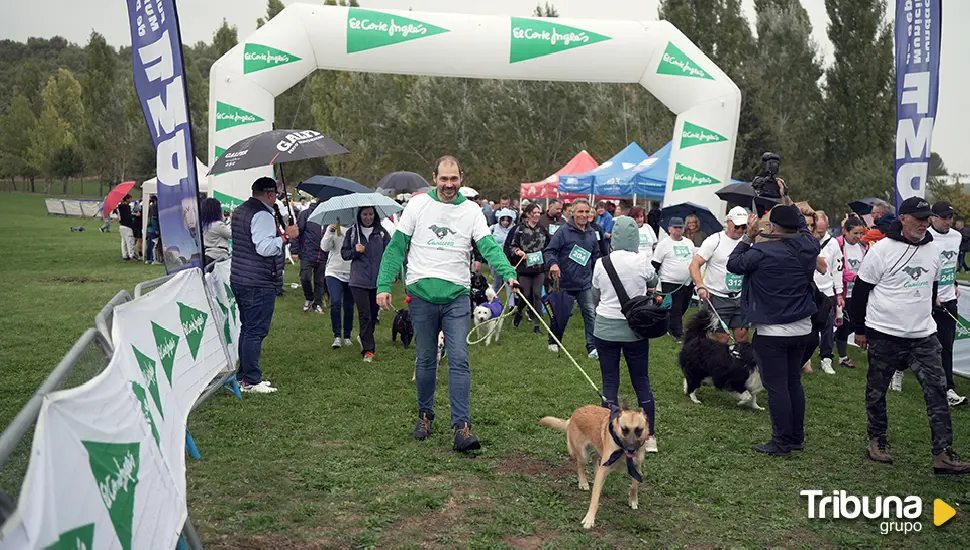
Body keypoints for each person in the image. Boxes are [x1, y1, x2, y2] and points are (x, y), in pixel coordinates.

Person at [377, 155, 517, 452]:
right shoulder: (417, 205)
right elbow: (396, 248)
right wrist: (383, 284)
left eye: (454, 179)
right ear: (434, 177)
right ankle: (425, 416)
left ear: (461, 178)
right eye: (444, 179)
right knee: (426, 359)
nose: (449, 184)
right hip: (422, 296)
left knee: (459, 359)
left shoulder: (472, 211)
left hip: (456, 297)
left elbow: (488, 246)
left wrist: (507, 272)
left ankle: (461, 427)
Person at [851, 197, 970, 474]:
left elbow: (932, 286)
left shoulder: (933, 250)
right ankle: (877, 440)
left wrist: (928, 310)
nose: (924, 223)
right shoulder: (882, 250)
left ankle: (942, 453)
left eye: (927, 218)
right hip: (885, 332)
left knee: (938, 391)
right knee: (876, 390)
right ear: (903, 218)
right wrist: (860, 329)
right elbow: (860, 292)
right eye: (918, 218)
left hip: (923, 334)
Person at [727, 197, 820, 457]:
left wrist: (748, 236)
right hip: (802, 327)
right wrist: (787, 201)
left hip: (772, 332)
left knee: (777, 386)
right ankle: (796, 436)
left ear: (774, 228)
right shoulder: (810, 246)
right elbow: (802, 227)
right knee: (793, 383)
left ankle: (781, 442)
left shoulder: (762, 251)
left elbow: (733, 264)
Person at [229, 177, 299, 393]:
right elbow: (265, 248)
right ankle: (251, 380)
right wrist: (286, 237)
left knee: (247, 328)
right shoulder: (262, 215)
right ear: (270, 194)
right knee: (255, 331)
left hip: (240, 277)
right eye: (276, 194)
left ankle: (244, 375)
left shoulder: (241, 210)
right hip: (257, 280)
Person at [544, 198, 601, 358]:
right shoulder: (563, 231)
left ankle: (592, 347)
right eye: (580, 211)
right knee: (560, 314)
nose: (584, 215)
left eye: (586, 211)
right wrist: (553, 264)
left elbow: (596, 255)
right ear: (572, 213)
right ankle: (554, 341)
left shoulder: (592, 233)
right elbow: (550, 251)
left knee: (590, 313)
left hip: (585, 282)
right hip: (564, 282)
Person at [925, 202, 968, 406]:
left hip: (948, 298)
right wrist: (930, 294)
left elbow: (949, 264)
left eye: (950, 217)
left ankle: (948, 388)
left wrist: (954, 282)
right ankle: (898, 369)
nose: (947, 221)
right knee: (913, 342)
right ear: (932, 217)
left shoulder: (956, 236)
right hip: (926, 299)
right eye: (943, 217)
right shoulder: (926, 237)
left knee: (946, 345)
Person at [689, 206, 750, 344]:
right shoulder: (714, 240)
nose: (740, 230)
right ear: (728, 222)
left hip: (740, 296)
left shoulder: (747, 241)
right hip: (717, 298)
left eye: (743, 226)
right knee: (722, 339)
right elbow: (694, 264)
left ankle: (739, 365)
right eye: (737, 226)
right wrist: (700, 285)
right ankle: (717, 364)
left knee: (742, 337)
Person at [342, 206, 390, 363]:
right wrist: (356, 251)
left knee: (373, 315)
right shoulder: (352, 233)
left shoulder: (382, 233)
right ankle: (368, 350)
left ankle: (364, 336)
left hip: (377, 281)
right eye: (364, 214)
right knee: (365, 315)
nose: (368, 217)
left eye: (370, 214)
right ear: (359, 215)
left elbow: (390, 253)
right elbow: (345, 254)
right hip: (358, 281)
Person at [802, 211, 843, 375]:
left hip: (825, 291)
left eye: (821, 231)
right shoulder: (803, 242)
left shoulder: (833, 244)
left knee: (827, 326)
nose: (818, 233)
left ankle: (826, 358)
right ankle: (805, 359)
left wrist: (839, 292)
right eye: (814, 229)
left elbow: (837, 268)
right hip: (808, 289)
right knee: (806, 326)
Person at [505, 202, 551, 332]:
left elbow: (549, 246)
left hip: (539, 268)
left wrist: (547, 257)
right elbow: (512, 246)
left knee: (537, 294)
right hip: (524, 268)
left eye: (538, 212)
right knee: (525, 294)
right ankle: (519, 312)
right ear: (528, 214)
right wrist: (517, 252)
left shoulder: (542, 229)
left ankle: (537, 325)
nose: (537, 215)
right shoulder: (520, 229)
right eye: (534, 213)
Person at [651, 217, 695, 343]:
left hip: (687, 282)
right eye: (675, 227)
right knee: (675, 308)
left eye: (680, 227)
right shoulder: (663, 244)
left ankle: (669, 326)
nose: (678, 230)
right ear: (669, 229)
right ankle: (678, 334)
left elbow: (694, 260)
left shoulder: (689, 243)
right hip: (669, 282)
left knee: (683, 306)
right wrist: (652, 282)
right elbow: (655, 264)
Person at [834, 215, 868, 368]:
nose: (858, 237)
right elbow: (837, 269)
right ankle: (842, 357)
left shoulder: (864, 246)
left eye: (860, 233)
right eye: (855, 233)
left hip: (858, 293)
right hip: (842, 292)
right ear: (845, 231)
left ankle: (830, 340)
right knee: (844, 324)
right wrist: (855, 278)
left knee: (856, 324)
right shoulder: (837, 245)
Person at [323, 223, 356, 349]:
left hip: (351, 271)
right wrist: (329, 233)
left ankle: (347, 336)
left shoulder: (356, 228)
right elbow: (324, 247)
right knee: (335, 302)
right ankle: (337, 336)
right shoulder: (333, 227)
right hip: (333, 271)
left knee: (349, 306)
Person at [292, 198, 327, 314]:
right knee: (305, 277)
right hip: (307, 252)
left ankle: (317, 304)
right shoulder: (306, 214)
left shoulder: (329, 217)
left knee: (320, 281)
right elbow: (298, 233)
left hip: (323, 254)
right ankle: (309, 298)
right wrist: (295, 251)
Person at [489, 208, 517, 308]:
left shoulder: (514, 229)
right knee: (496, 282)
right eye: (503, 220)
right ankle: (492, 301)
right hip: (495, 259)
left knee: (509, 281)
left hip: (508, 259)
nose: (505, 222)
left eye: (507, 220)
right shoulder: (493, 228)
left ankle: (511, 305)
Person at [200, 197, 231, 266]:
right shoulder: (218, 225)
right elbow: (231, 234)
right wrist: (231, 220)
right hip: (219, 257)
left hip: (208, 255)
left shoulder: (204, 225)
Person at [145, 195, 160, 265]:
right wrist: (156, 229)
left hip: (149, 228)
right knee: (154, 244)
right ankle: (153, 259)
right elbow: (154, 219)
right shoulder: (154, 207)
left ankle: (148, 259)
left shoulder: (149, 207)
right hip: (153, 229)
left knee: (149, 244)